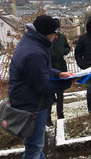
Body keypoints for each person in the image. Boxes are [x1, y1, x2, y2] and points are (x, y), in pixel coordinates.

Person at [8, 15, 74, 158]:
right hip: (32, 106)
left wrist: (59, 74)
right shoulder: (35, 52)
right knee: (34, 148)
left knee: (36, 147)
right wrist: (67, 82)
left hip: (28, 101)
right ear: (45, 32)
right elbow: (43, 86)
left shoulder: (32, 42)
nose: (56, 37)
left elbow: (41, 70)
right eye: (54, 33)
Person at [46, 18, 71, 126]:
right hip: (50, 66)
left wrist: (64, 51)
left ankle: (60, 114)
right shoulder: (47, 38)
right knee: (49, 93)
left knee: (60, 93)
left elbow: (68, 47)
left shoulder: (62, 37)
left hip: (61, 66)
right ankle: (48, 117)